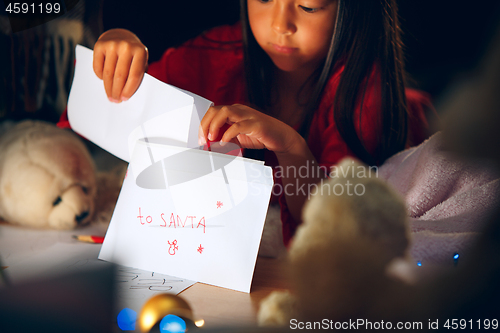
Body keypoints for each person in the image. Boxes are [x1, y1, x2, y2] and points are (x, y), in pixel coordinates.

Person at [74, 0, 431, 246]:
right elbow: (124, 103)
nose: (280, 25)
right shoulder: (219, 53)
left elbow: (332, 221)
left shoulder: (364, 90)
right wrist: (120, 50)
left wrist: (289, 145)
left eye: (308, 6)